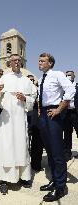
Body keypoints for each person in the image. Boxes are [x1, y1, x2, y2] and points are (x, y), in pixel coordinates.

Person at [0, 54, 37, 195]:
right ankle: (4, 180)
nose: (17, 62)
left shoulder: (26, 81)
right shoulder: (4, 78)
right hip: (7, 118)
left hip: (20, 117)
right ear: (9, 63)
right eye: (14, 60)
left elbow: (33, 97)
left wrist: (25, 98)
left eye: (19, 60)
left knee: (21, 145)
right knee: (6, 146)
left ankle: (23, 176)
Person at [38, 53, 75, 202]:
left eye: (43, 61)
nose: (39, 63)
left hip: (54, 114)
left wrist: (59, 109)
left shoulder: (58, 75)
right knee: (51, 151)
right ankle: (54, 180)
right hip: (44, 116)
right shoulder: (41, 79)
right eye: (39, 61)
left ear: (50, 63)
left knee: (57, 152)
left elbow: (71, 90)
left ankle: (60, 187)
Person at [27, 75, 43, 172]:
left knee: (37, 142)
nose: (31, 82)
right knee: (24, 142)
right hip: (24, 118)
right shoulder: (21, 90)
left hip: (35, 118)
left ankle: (36, 164)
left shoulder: (37, 90)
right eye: (29, 80)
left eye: (32, 80)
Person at [63, 70, 78, 161]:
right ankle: (67, 153)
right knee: (67, 134)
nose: (68, 76)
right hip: (66, 113)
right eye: (67, 75)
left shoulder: (77, 86)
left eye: (70, 75)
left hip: (76, 113)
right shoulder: (63, 88)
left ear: (74, 76)